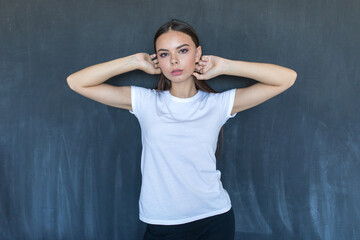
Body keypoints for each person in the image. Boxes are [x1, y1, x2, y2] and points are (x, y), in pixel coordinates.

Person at [66, 19, 297, 240]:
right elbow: (77, 82)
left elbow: (286, 78)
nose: (174, 61)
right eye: (165, 54)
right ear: (158, 59)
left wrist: (226, 66)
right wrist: (134, 61)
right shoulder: (145, 102)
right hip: (162, 224)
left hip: (214, 219)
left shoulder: (217, 105)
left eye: (183, 51)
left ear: (197, 53)